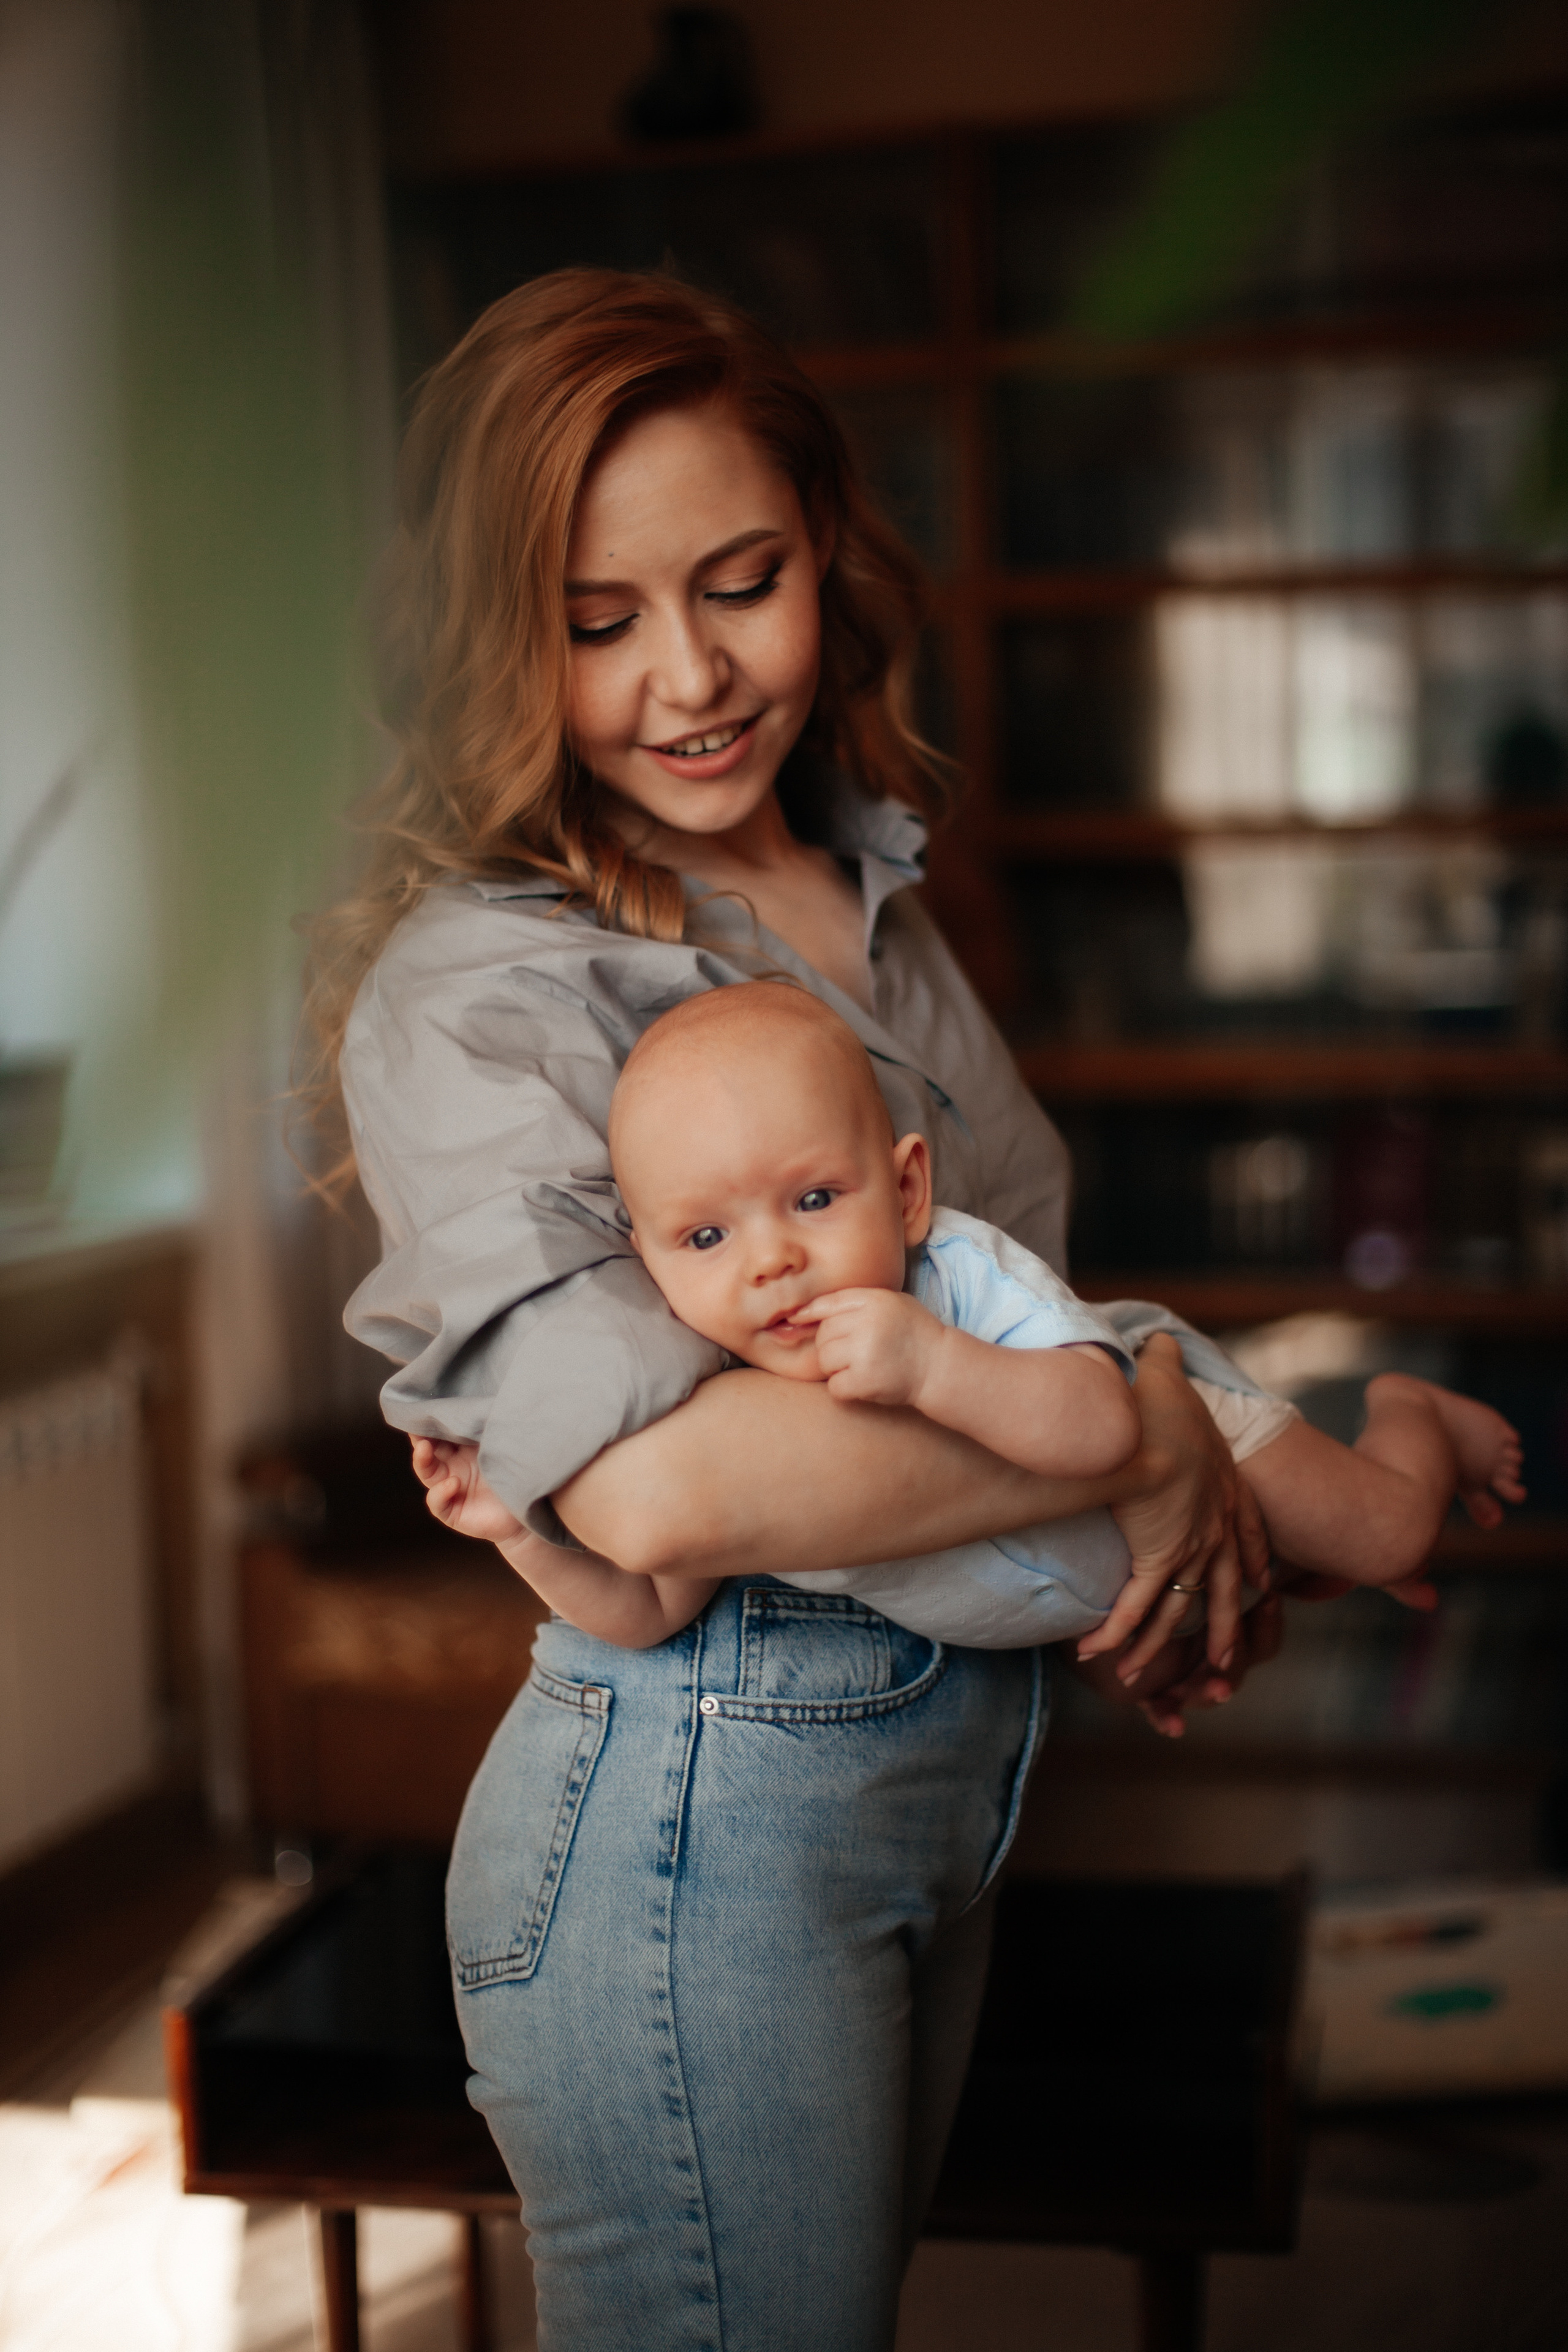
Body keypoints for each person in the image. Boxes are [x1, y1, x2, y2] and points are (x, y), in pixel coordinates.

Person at [312, 265, 1289, 2352]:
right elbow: (664, 1491)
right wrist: (1138, 1427)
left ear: (827, 550)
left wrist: (1144, 1409)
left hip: (920, 1799)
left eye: (741, 581)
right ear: (503, 644)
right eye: (597, 622)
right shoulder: (486, 984)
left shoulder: (870, 886)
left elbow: (1003, 1279)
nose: (690, 675)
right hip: (692, 1821)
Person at [415, 980, 1524, 1663]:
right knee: (1288, 1573)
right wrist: (516, 1528)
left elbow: (1106, 1429)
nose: (773, 1262)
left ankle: (1411, 1409)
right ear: (647, 1256)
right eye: (705, 1239)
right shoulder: (717, 1385)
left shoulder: (955, 1273)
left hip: (1171, 1397)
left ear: (903, 1189)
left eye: (813, 1200)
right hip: (1096, 1586)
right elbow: (650, 1607)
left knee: (1385, 1537)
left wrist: (933, 1363)